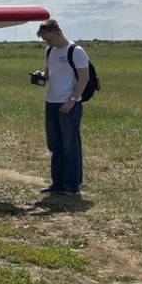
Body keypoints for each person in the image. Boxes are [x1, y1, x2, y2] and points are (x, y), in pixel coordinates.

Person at [37, 18, 89, 195]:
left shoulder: (76, 51)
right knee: (54, 145)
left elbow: (84, 78)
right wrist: (41, 76)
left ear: (57, 32)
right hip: (51, 103)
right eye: (44, 39)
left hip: (69, 105)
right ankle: (57, 183)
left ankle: (72, 185)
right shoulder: (49, 51)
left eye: (48, 37)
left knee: (70, 145)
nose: (46, 41)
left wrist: (71, 100)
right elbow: (49, 74)